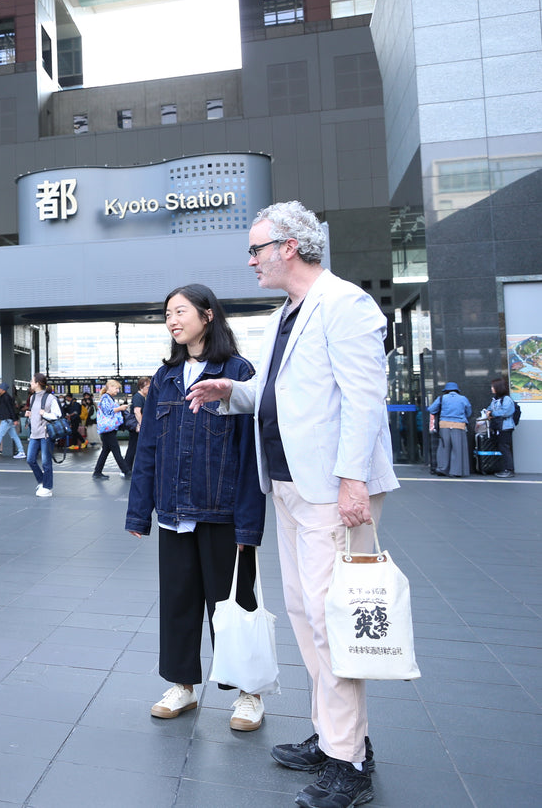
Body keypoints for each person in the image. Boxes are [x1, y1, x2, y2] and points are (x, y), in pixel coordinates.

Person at [185, 201, 399, 808]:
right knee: (307, 617)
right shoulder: (289, 313)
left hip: (331, 490)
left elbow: (364, 400)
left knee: (333, 623)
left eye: (256, 248)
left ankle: (348, 763)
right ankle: (337, 737)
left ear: (290, 247)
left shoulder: (345, 304)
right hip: (288, 486)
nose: (250, 259)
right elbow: (279, 392)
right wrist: (234, 390)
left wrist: (353, 480)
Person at [126, 283, 267, 733]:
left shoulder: (237, 371)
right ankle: (182, 685)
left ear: (208, 316)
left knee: (234, 604)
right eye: (167, 313)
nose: (172, 320)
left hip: (223, 512)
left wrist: (249, 526)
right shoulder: (165, 377)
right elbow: (147, 448)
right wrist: (139, 512)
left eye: (180, 311)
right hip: (174, 513)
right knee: (179, 602)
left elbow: (249, 454)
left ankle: (249, 694)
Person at [26, 373, 64, 498]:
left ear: (38, 383)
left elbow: (57, 415)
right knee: (30, 459)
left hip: (46, 434)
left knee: (46, 462)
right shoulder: (32, 398)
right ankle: (42, 482)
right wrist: (30, 415)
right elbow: (35, 413)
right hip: (34, 434)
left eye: (32, 381)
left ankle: (47, 488)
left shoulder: (50, 398)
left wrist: (45, 414)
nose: (31, 383)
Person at [427, 381, 472, 478]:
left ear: (446, 390)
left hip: (444, 425)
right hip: (459, 425)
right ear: (457, 390)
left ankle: (443, 468)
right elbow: (468, 412)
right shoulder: (463, 399)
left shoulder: (442, 398)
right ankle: (456, 471)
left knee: (444, 447)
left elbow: (431, 409)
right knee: (457, 448)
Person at [92, 379, 132, 480]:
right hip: (108, 429)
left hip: (108, 429)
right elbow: (108, 412)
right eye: (116, 388)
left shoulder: (108, 398)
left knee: (105, 451)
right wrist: (120, 408)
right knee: (116, 450)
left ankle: (97, 472)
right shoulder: (106, 398)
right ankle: (126, 471)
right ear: (110, 387)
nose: (118, 391)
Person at [485, 377, 518, 479]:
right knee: (502, 447)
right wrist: (489, 412)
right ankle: (505, 469)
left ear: (498, 387)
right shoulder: (495, 399)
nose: (491, 388)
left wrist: (492, 413)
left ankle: (509, 470)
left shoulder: (507, 399)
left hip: (505, 427)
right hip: (499, 427)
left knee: (504, 448)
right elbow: (489, 409)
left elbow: (505, 412)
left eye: (493, 387)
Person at [123, 376, 151, 471]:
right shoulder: (138, 397)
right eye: (147, 387)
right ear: (141, 387)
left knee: (134, 447)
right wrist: (141, 424)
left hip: (138, 426)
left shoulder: (142, 397)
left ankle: (127, 468)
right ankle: (126, 468)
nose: (149, 389)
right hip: (136, 427)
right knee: (133, 447)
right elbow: (137, 412)